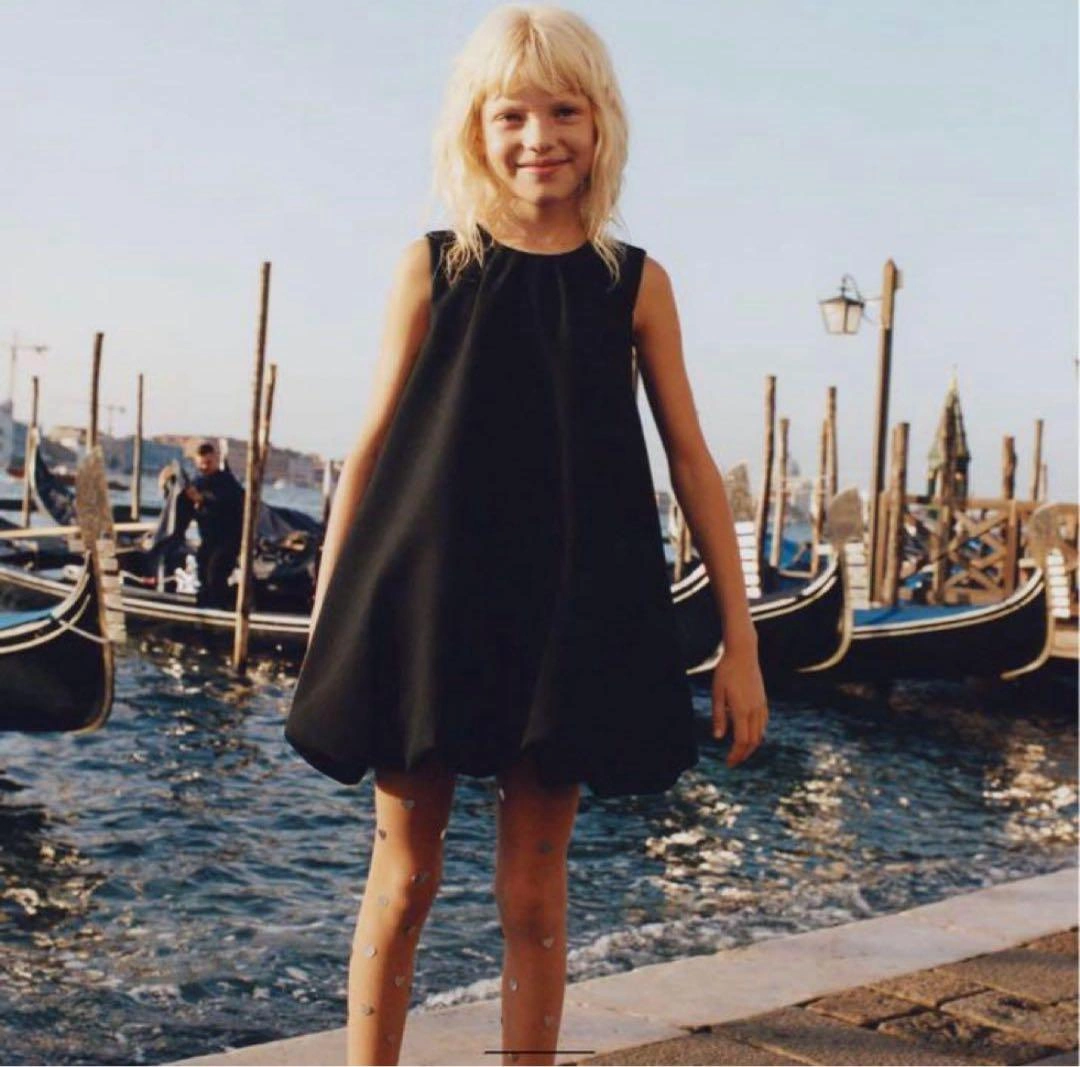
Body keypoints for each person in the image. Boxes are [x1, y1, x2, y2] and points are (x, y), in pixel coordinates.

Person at [284, 7, 768, 1064]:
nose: (538, 136)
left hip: (565, 617)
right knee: (403, 879)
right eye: (511, 114)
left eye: (563, 111)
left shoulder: (634, 283)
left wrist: (742, 641)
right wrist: (330, 621)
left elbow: (692, 463)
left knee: (533, 892)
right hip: (425, 608)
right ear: (476, 129)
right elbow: (370, 448)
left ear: (601, 125)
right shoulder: (432, 266)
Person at [184, 439, 245, 609]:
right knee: (203, 574)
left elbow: (227, 500)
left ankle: (221, 609)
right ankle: (205, 609)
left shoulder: (227, 481)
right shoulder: (198, 482)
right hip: (208, 539)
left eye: (208, 463)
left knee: (215, 574)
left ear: (216, 460)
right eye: (202, 463)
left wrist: (203, 499)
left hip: (227, 540)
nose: (205, 467)